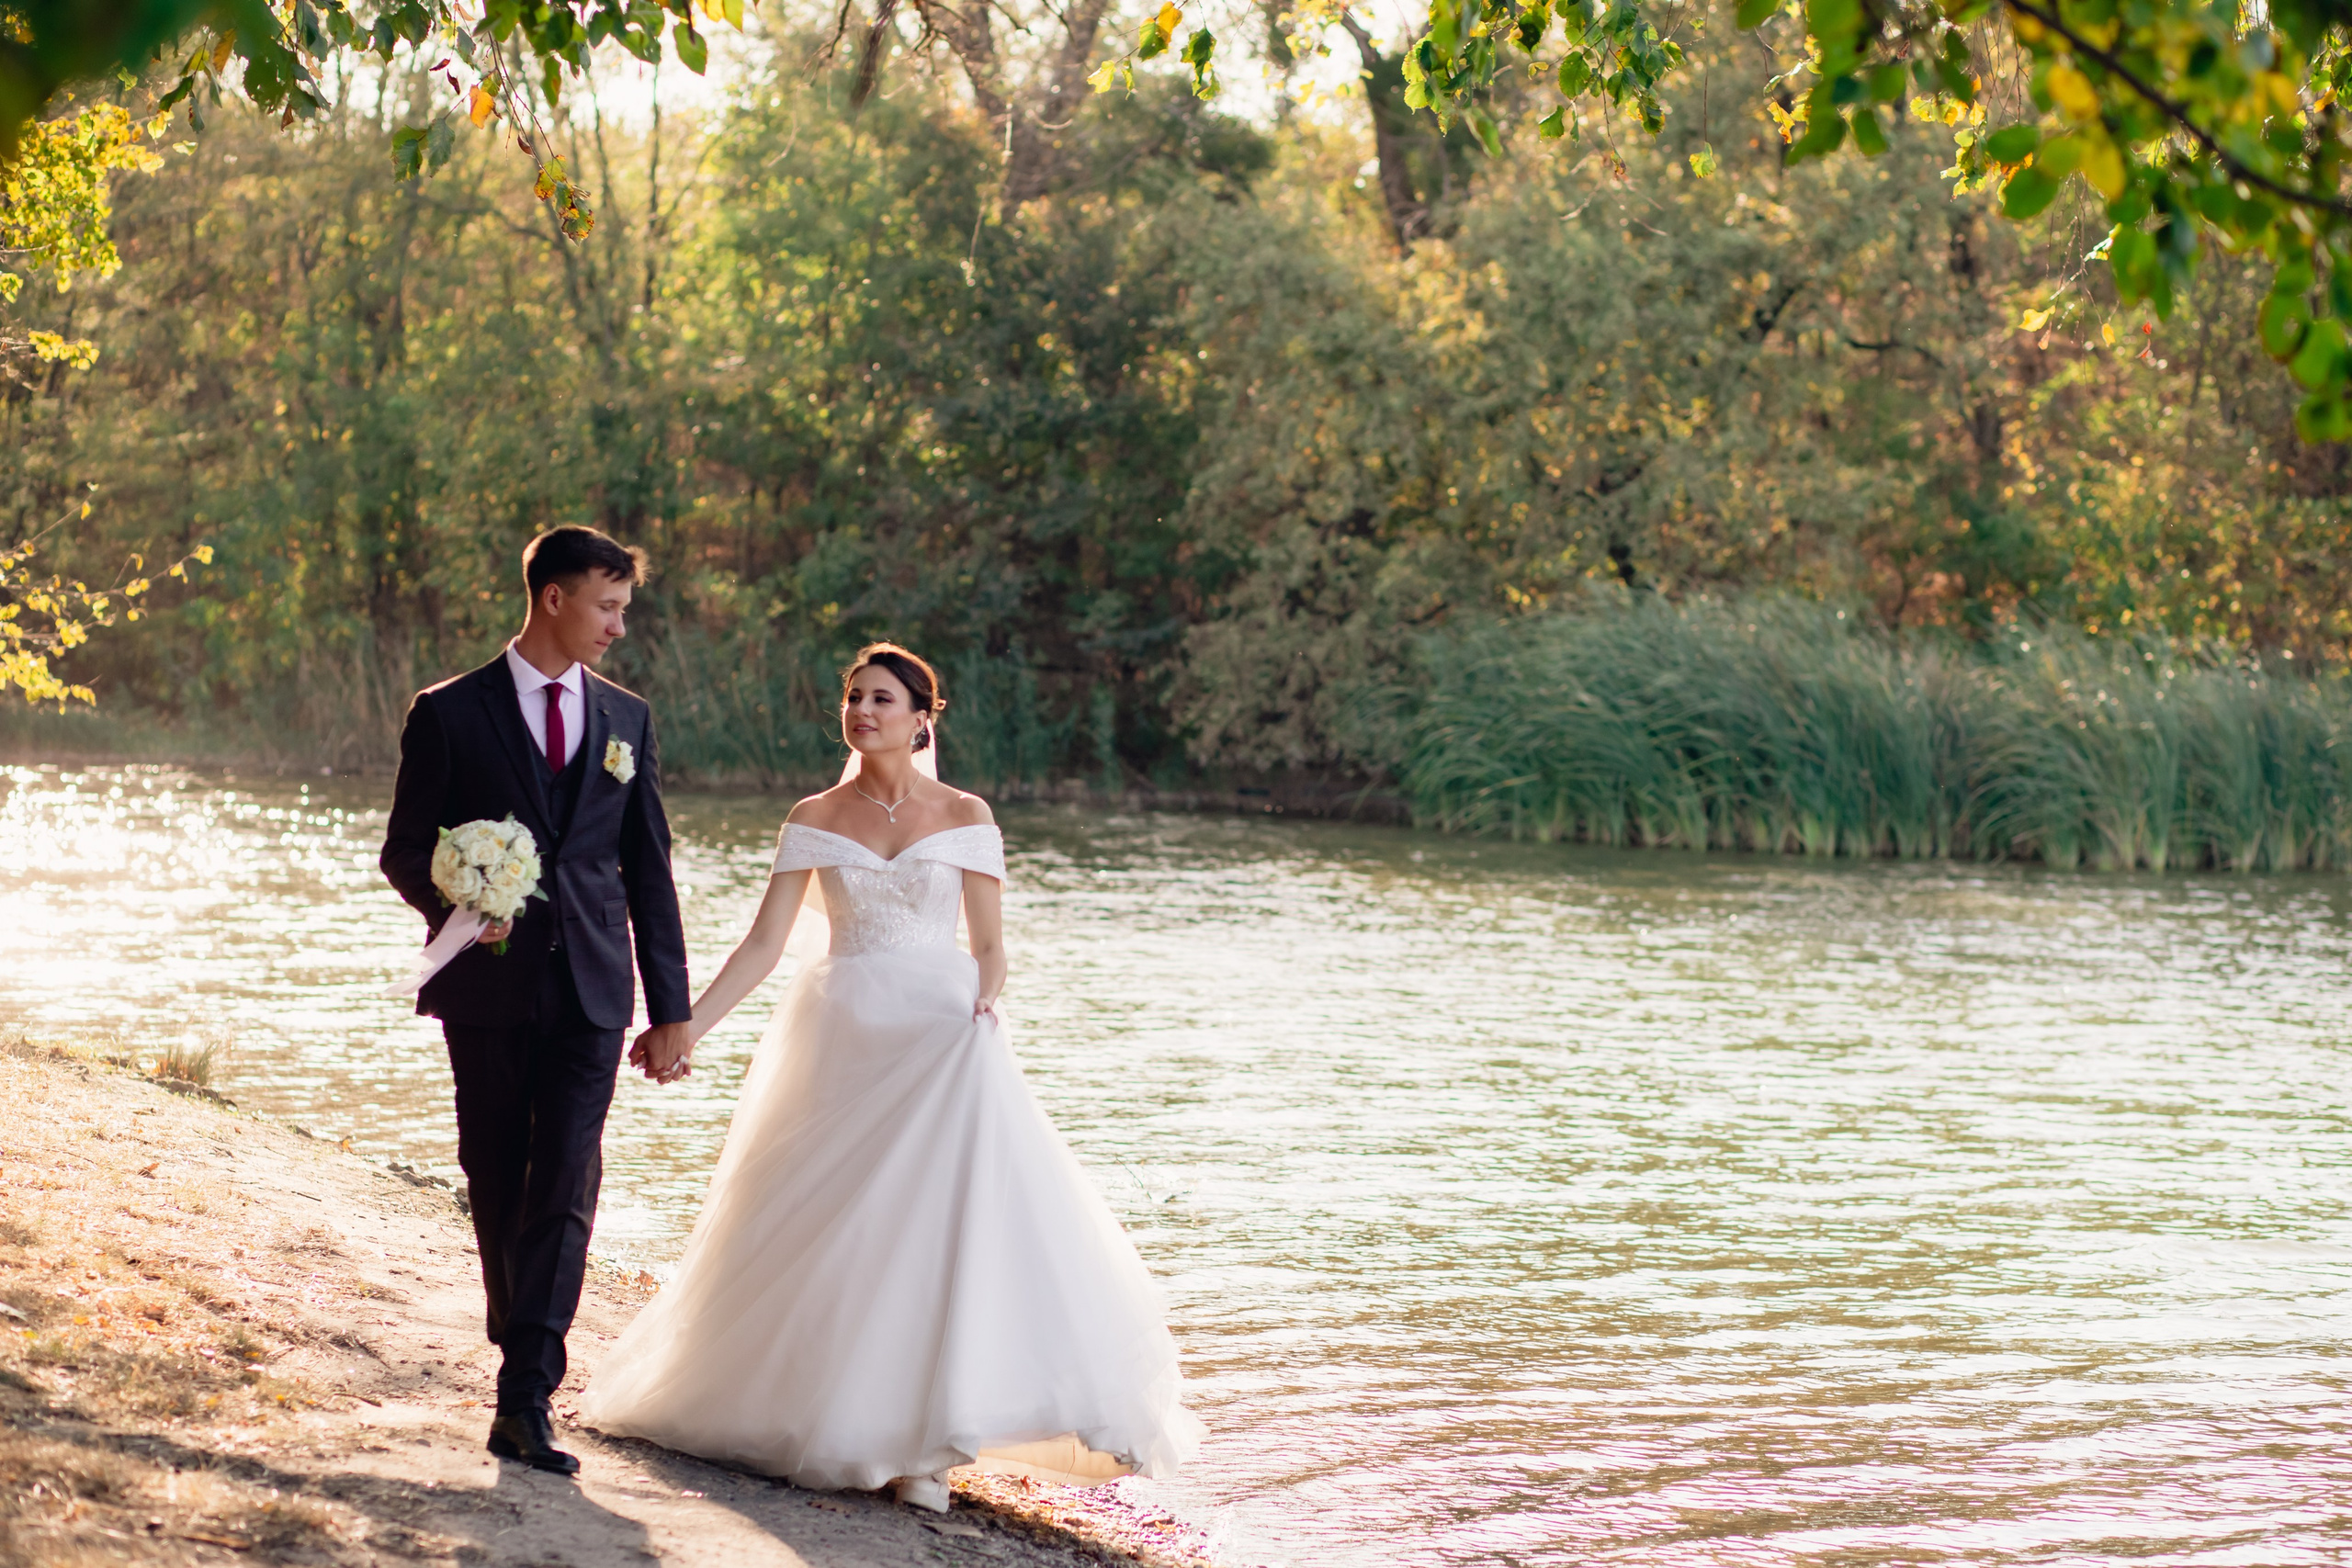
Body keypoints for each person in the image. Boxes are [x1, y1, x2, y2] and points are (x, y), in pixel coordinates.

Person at [579, 643, 1202, 1510]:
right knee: (844, 1230)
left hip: (944, 1031)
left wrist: (984, 1005)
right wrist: (686, 1029)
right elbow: (764, 944)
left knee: (942, 1230)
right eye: (854, 698)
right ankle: (851, 1419)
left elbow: (989, 946)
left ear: (922, 717)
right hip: (843, 1032)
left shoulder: (967, 814)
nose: (863, 711)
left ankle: (928, 1450)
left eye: (882, 699)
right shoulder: (815, 813)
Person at [379, 525, 694, 1476]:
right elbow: (404, 849)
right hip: (485, 983)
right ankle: (519, 1335)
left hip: (596, 985)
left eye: (624, 610)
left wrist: (671, 1008)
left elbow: (648, 866)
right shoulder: (449, 713)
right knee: (495, 1168)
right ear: (552, 599)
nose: (616, 627)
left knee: (566, 1178)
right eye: (606, 607)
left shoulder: (627, 721)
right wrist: (471, 899)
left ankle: (526, 1395)